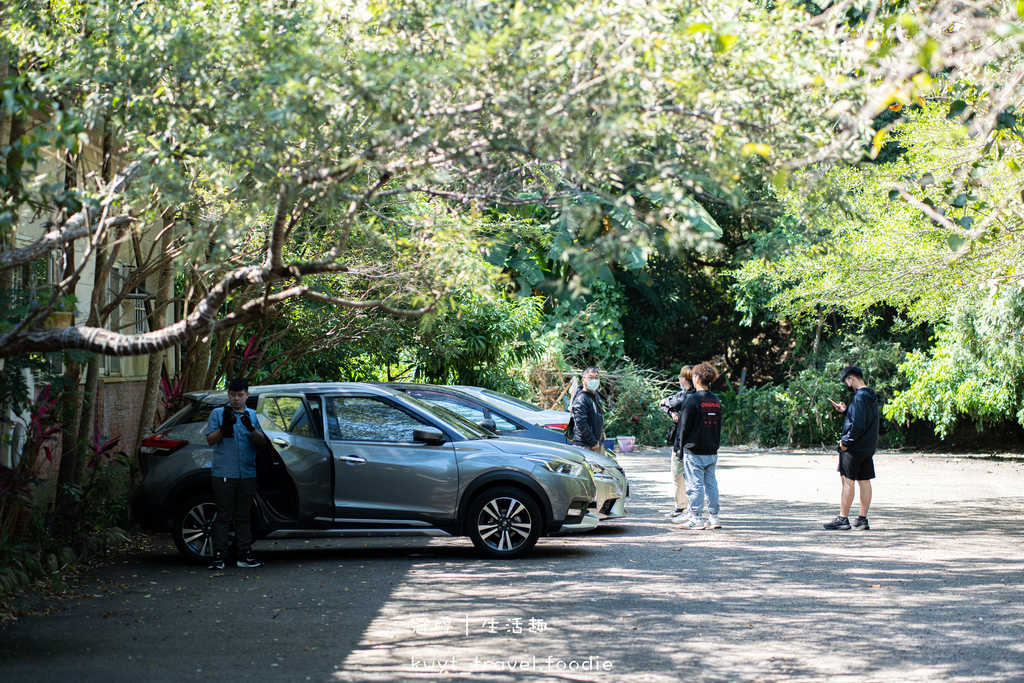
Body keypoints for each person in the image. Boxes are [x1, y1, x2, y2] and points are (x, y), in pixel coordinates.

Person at [204, 377, 268, 570]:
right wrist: (224, 428)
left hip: (247, 473)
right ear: (228, 395)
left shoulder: (253, 415)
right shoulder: (218, 413)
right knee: (224, 515)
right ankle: (218, 556)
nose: (237, 399)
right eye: (233, 395)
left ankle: (244, 555)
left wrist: (251, 428)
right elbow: (210, 440)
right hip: (224, 473)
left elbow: (262, 442)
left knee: (243, 516)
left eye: (240, 395)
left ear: (247, 395)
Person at [823, 365, 879, 531]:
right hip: (867, 448)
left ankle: (843, 518)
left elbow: (858, 425)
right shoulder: (871, 395)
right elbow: (863, 419)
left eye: (846, 382)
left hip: (854, 448)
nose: (847, 386)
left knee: (847, 481)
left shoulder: (859, 397)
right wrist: (846, 411)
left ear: (851, 378)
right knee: (864, 481)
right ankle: (862, 519)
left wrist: (845, 442)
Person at [674, 362, 723, 530]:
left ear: (696, 378)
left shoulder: (693, 399)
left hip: (693, 450)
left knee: (694, 485)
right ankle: (714, 517)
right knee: (711, 484)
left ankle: (696, 518)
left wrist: (680, 450)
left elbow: (684, 427)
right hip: (711, 449)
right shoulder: (716, 400)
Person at [661, 365, 694, 518]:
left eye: (680, 377)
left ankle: (683, 508)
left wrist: (671, 410)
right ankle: (687, 508)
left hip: (682, 444)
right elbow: (665, 405)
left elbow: (663, 403)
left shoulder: (683, 396)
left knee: (678, 475)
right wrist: (673, 412)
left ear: (684, 379)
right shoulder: (699, 396)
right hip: (693, 443)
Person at [571, 366, 606, 455]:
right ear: (583, 380)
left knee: (600, 469)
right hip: (585, 445)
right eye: (590, 378)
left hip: (597, 442)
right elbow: (581, 422)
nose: (594, 380)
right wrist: (592, 441)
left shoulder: (595, 395)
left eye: (596, 377)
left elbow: (598, 416)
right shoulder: (581, 398)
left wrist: (601, 432)